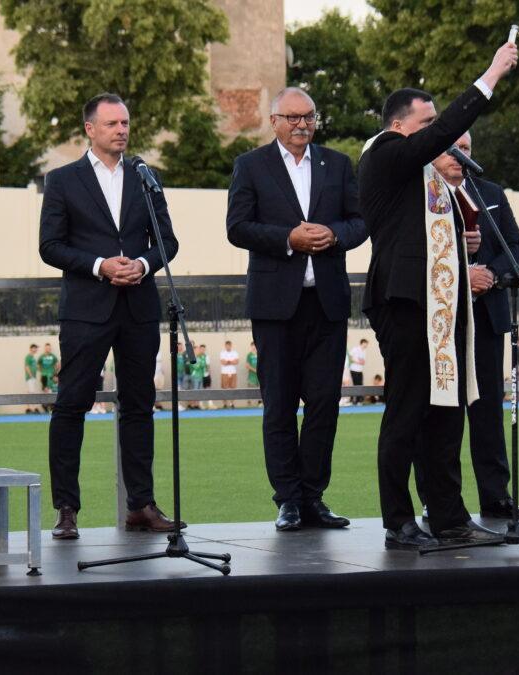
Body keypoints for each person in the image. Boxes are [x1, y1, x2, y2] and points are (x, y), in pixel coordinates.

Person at [358, 40, 518, 550]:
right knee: (406, 411)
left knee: (445, 411)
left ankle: (449, 516)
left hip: (442, 306)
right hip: (404, 302)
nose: (439, 138)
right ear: (399, 126)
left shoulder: (433, 182)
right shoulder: (384, 155)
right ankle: (397, 520)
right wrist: (490, 74)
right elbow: (447, 132)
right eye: (426, 124)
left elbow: (425, 234)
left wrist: (462, 239)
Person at [38, 93, 180, 539]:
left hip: (138, 307)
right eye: (113, 123)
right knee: (72, 405)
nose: (122, 129)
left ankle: (140, 505)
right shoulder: (62, 180)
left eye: (125, 122)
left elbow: (168, 242)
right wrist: (101, 265)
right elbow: (50, 246)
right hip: (86, 309)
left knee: (139, 406)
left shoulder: (145, 176)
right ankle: (66, 509)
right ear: (90, 129)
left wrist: (143, 263)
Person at [226, 86, 368, 531]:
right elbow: (238, 227)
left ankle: (313, 497)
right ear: (274, 121)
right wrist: (289, 239)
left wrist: (335, 235)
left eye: (308, 116)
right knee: (280, 406)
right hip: (275, 306)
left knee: (325, 403)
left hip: (326, 304)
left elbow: (361, 221)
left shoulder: (338, 164)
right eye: (292, 117)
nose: (301, 124)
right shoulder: (250, 165)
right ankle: (287, 498)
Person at [412, 131, 519, 520]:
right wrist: (465, 268)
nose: (459, 156)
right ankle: (436, 500)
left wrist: (491, 275)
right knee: (436, 411)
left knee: (487, 412)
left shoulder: (490, 192)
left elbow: (516, 247)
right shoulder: (418, 195)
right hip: (437, 323)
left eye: (465, 149)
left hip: (485, 317)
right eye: (451, 148)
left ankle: (496, 497)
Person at [219, 340, 240, 408]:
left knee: (233, 388)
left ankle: (232, 403)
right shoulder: (222, 353)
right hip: (224, 373)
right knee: (224, 388)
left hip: (233, 372)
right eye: (227, 345)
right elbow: (223, 362)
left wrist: (227, 361)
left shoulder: (235, 353)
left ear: (231, 345)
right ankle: (225, 403)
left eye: (229, 345)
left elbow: (236, 362)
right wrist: (231, 361)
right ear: (225, 346)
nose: (228, 347)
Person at [350, 339, 368, 404]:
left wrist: (361, 362)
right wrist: (358, 362)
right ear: (362, 343)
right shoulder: (355, 349)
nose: (366, 345)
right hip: (354, 369)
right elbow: (350, 358)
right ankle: (354, 400)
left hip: (360, 370)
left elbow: (363, 361)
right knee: (355, 385)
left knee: (360, 384)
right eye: (365, 344)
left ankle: (359, 400)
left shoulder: (365, 351)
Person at [24, 343, 40, 413]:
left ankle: (29, 408)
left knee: (30, 392)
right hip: (30, 377)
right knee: (32, 392)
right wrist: (30, 375)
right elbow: (26, 366)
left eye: (36, 348)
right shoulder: (28, 357)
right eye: (34, 348)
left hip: (33, 377)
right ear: (31, 349)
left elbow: (36, 367)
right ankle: (33, 408)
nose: (36, 349)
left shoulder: (33, 357)